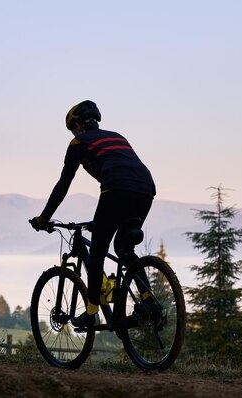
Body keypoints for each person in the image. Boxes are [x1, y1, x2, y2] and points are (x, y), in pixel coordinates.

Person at [31, 100, 156, 327]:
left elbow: (63, 184)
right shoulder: (118, 136)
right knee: (125, 249)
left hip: (116, 190)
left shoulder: (78, 142)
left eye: (72, 128)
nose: (73, 132)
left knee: (98, 251)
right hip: (146, 190)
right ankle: (148, 301)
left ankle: (91, 312)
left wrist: (44, 218)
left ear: (78, 125)